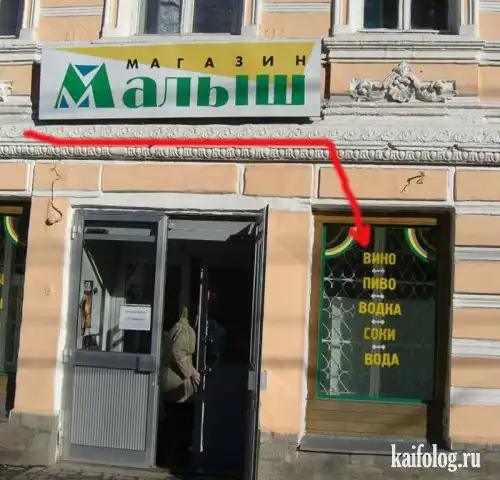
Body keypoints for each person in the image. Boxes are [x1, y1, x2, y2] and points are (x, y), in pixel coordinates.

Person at [158, 305, 200, 468]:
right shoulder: (184, 330)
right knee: (179, 422)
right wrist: (191, 373)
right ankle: (173, 459)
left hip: (173, 383)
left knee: (173, 421)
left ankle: (167, 456)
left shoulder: (178, 328)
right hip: (177, 385)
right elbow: (179, 353)